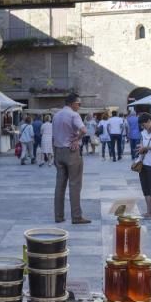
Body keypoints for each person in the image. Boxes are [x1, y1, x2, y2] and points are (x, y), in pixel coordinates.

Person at [53, 93, 90, 224]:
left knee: (59, 185)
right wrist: (77, 138)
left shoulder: (56, 115)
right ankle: (76, 216)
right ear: (72, 103)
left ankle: (58, 216)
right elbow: (84, 130)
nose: (79, 106)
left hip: (58, 151)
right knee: (75, 184)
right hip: (71, 151)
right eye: (78, 103)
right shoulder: (74, 115)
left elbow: (54, 135)